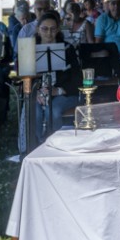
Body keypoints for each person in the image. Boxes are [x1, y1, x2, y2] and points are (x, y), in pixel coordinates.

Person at [33, 11, 80, 144]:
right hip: (38, 94)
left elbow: (77, 78)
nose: (49, 33)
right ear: (38, 30)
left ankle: (56, 144)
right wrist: (35, 92)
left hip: (65, 93)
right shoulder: (30, 49)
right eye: (44, 29)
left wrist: (58, 90)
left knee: (53, 110)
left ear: (58, 30)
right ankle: (35, 145)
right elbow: (24, 76)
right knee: (34, 112)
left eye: (53, 29)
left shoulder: (67, 49)